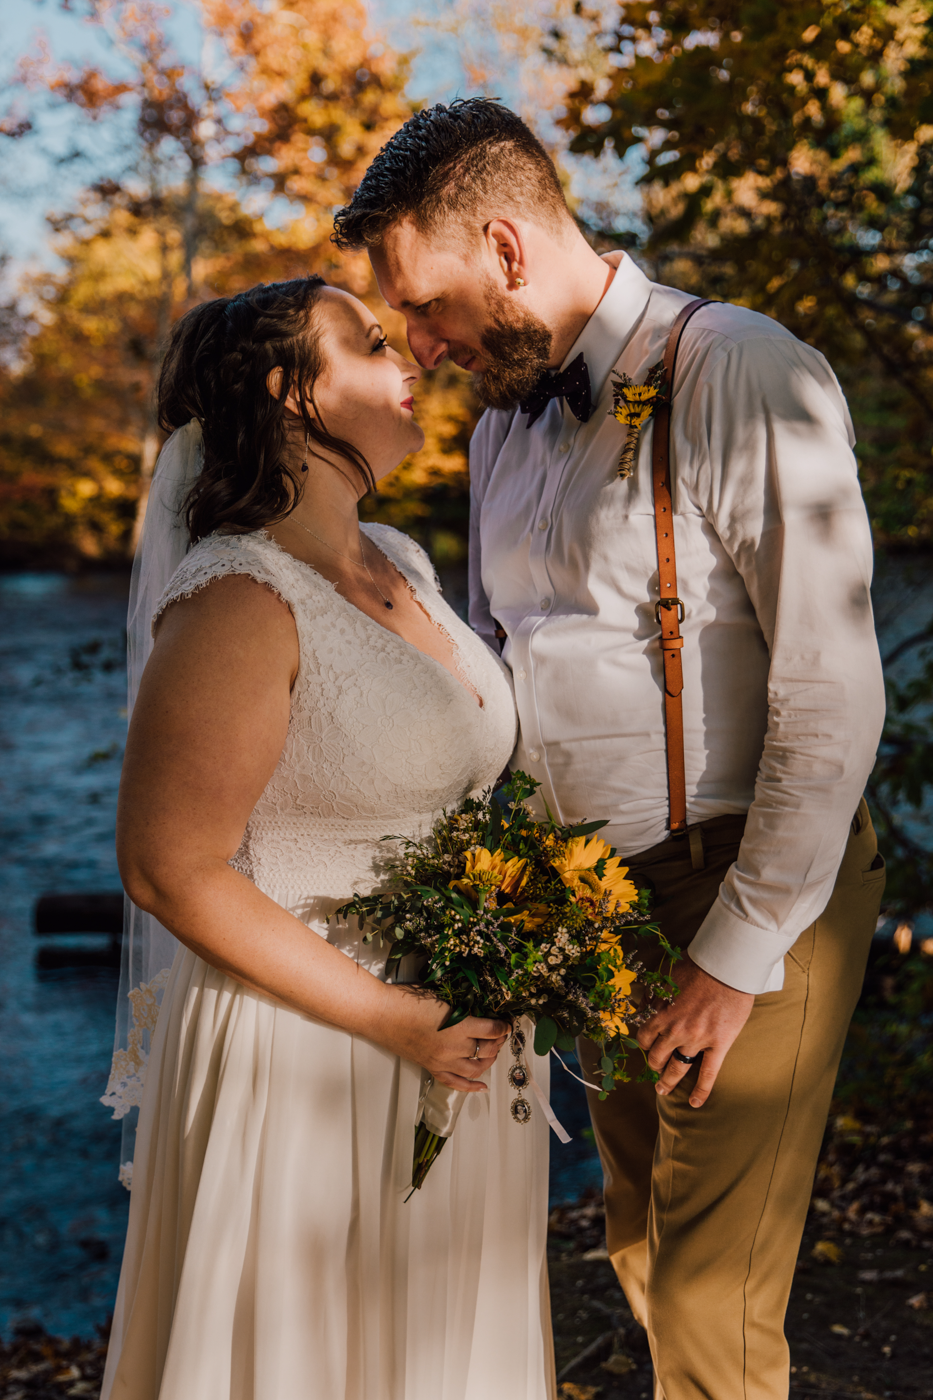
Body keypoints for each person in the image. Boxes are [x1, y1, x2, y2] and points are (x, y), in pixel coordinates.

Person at [333, 98, 888, 1399]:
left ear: (511, 248)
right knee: (639, 1245)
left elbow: (831, 680)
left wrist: (739, 954)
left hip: (751, 885)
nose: (418, 344)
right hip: (591, 901)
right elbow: (496, 663)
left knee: (709, 1294)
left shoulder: (738, 368)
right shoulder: (498, 433)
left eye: (427, 303)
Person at [101, 275, 555, 1400]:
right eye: (368, 341)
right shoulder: (237, 600)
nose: (410, 358)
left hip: (448, 1030)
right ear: (287, 390)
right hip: (312, 1047)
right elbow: (166, 865)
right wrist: (399, 1020)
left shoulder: (397, 557)